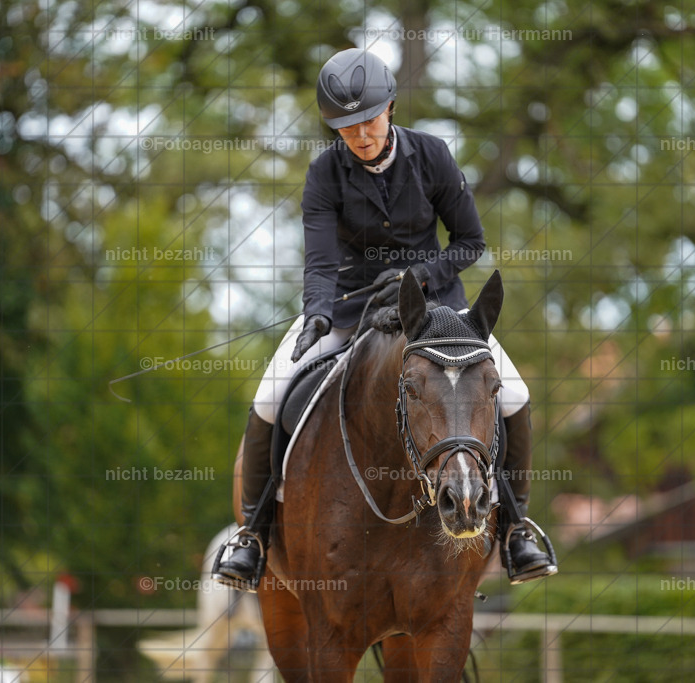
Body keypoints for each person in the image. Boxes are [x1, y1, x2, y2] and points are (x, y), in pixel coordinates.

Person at [214, 48, 555, 591]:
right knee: (270, 395)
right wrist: (317, 317)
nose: (361, 134)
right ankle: (252, 536)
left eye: (369, 120)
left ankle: (516, 527)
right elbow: (321, 263)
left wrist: (417, 278)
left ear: (390, 108)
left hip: (440, 311)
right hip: (355, 308)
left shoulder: (433, 156)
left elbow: (470, 242)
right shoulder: (325, 173)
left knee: (511, 394)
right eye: (347, 126)